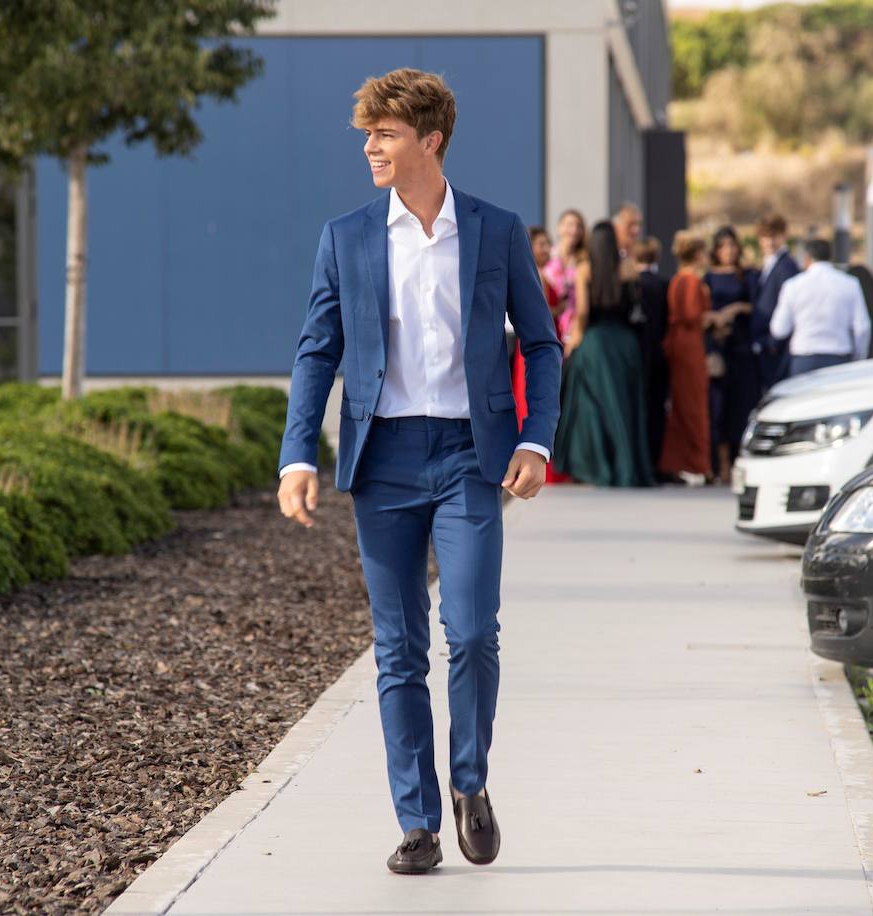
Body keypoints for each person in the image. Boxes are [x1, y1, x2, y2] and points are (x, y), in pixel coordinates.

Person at [276, 68, 561, 876]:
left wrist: (535, 441)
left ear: (429, 141)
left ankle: (470, 784)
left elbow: (541, 343)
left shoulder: (495, 230)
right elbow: (317, 351)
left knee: (471, 630)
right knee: (398, 648)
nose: (370, 146)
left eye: (386, 133)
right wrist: (300, 453)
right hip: (385, 460)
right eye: (368, 133)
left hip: (472, 459)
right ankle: (417, 821)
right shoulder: (348, 235)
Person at [552, 221, 654, 487]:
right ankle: (628, 467)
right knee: (624, 406)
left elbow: (583, 312)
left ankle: (598, 466)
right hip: (625, 344)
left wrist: (575, 339)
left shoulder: (585, 269)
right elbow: (636, 307)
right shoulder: (629, 268)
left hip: (596, 343)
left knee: (592, 406)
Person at [515, 226, 572, 485]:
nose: (546, 249)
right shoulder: (534, 274)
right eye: (540, 244)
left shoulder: (547, 274)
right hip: (535, 346)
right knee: (532, 396)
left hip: (549, 342)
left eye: (548, 244)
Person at [704, 225, 760, 483]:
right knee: (719, 408)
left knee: (742, 405)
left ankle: (740, 462)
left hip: (741, 349)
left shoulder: (746, 275)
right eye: (723, 246)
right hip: (718, 348)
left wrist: (735, 309)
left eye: (732, 245)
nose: (728, 250)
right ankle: (722, 464)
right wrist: (714, 323)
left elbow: (757, 306)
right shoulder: (708, 277)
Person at [770, 238, 871, 377]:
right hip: (839, 358)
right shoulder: (850, 283)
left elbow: (779, 330)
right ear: (830, 257)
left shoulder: (793, 285)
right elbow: (862, 328)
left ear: (806, 258)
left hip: (803, 359)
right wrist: (858, 357)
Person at [660, 232, 713, 485]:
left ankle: (681, 462)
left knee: (683, 405)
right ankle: (697, 463)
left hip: (680, 345)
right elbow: (692, 316)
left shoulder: (678, 280)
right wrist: (716, 317)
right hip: (690, 346)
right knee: (694, 405)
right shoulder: (691, 281)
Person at [750, 214, 800, 389]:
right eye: (765, 237)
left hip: (776, 349)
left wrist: (771, 343)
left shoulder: (786, 266)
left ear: (783, 235)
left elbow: (789, 307)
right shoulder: (771, 263)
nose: (769, 242)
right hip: (767, 347)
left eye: (774, 236)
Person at [634, 238, 670, 472]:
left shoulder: (633, 283)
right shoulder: (664, 284)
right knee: (658, 409)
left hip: (637, 353)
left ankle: (641, 460)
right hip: (659, 352)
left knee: (639, 407)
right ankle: (656, 463)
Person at [544, 209, 587, 344]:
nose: (574, 230)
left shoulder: (584, 260)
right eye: (569, 224)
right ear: (559, 227)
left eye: (578, 226)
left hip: (575, 327)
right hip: (550, 323)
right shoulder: (547, 256)